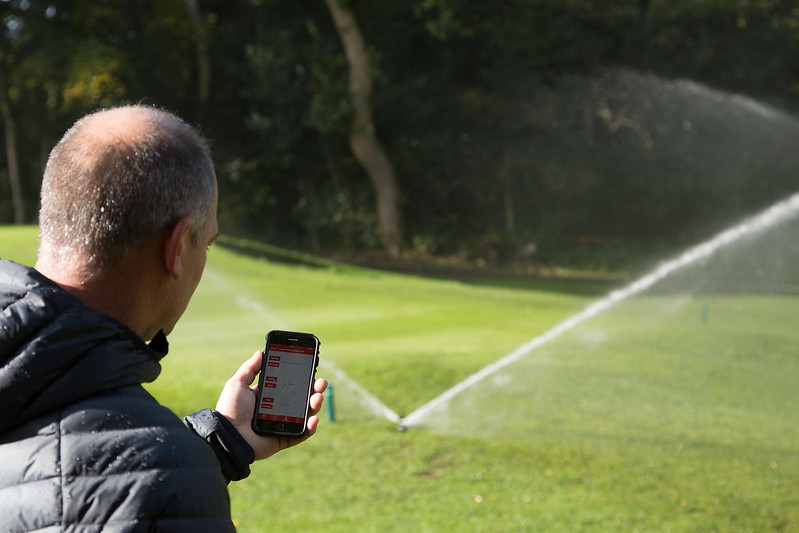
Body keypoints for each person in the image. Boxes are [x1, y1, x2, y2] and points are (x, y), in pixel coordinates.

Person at [0, 105, 327, 531]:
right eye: (205, 245)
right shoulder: (165, 485)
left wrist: (221, 444)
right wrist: (175, 474)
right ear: (175, 249)